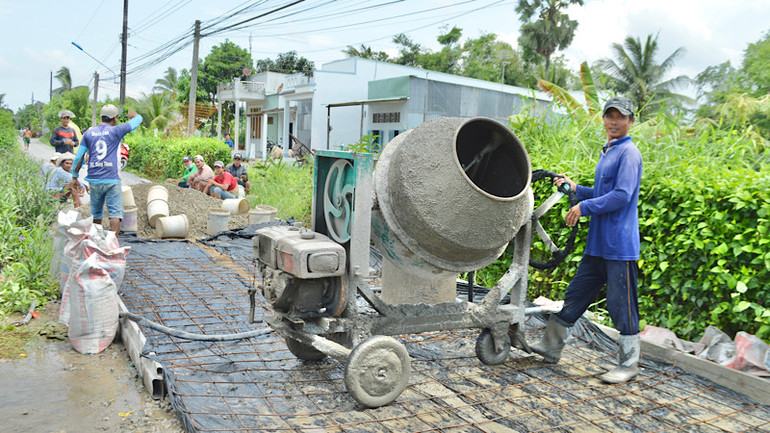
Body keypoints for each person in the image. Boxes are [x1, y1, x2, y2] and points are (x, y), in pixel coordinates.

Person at [530, 96, 643, 384]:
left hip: (618, 246)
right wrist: (578, 190)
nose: (614, 121)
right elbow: (604, 191)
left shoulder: (629, 153)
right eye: (610, 115)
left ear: (631, 121)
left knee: (622, 305)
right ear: (604, 118)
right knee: (576, 294)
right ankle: (550, 347)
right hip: (598, 244)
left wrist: (584, 208)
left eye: (621, 117)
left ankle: (628, 365)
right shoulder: (608, 150)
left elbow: (622, 196)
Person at [70, 104, 143, 233]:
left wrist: (75, 176)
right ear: (114, 118)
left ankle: (96, 240)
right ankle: (113, 243)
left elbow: (79, 157)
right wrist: (135, 115)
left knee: (96, 213)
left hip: (94, 179)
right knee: (115, 213)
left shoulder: (89, 133)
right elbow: (137, 121)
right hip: (111, 178)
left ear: (102, 117)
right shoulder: (116, 131)